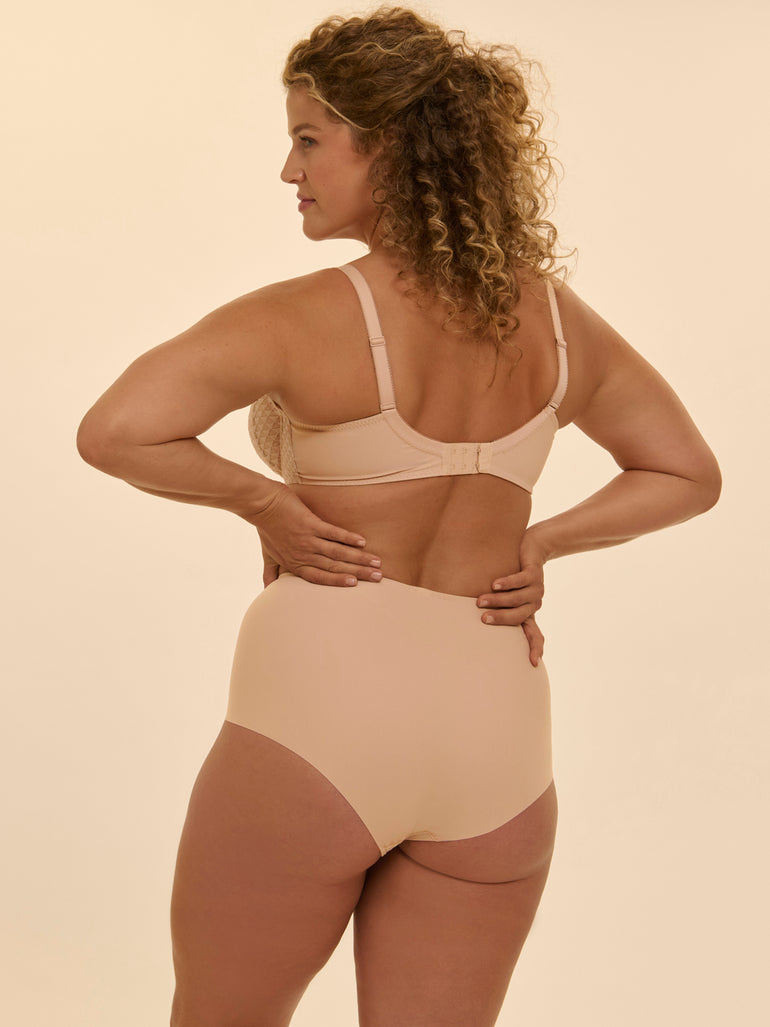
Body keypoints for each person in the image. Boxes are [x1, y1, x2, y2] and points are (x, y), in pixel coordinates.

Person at [76, 7, 721, 1026]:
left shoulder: (306, 316)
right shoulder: (556, 323)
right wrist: (540, 541)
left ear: (388, 148)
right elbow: (685, 472)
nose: (288, 170)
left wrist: (265, 503)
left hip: (321, 716)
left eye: (308, 140)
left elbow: (115, 430)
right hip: (496, 733)